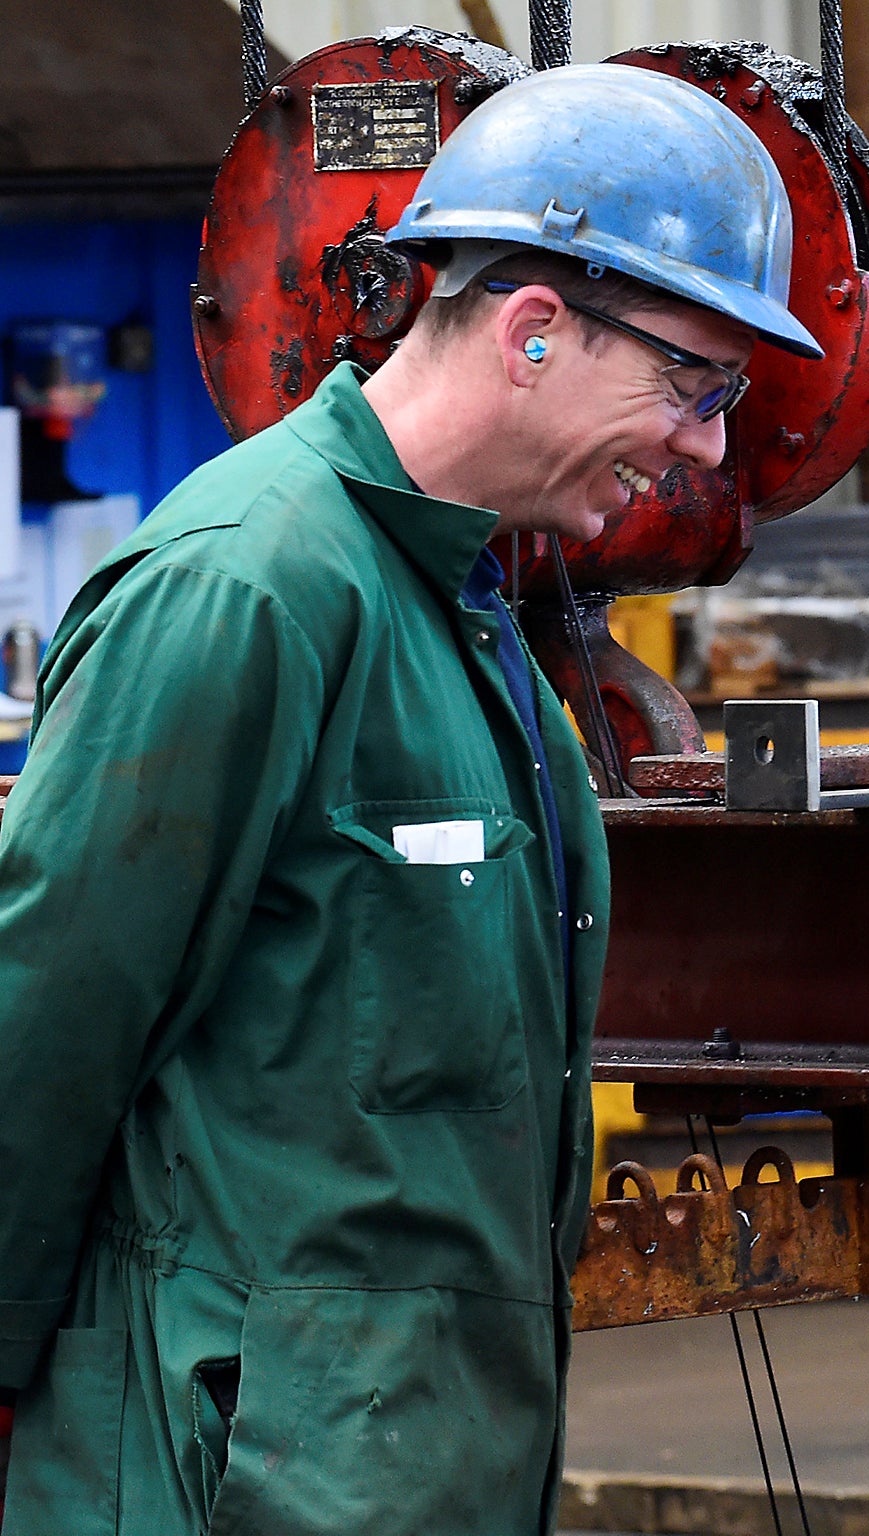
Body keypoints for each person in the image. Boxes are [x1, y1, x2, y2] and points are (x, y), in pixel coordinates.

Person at [0, 63, 821, 1535]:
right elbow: (41, 1023)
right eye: (692, 385)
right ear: (532, 331)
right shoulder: (248, 590)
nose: (701, 444)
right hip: (242, 1461)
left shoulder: (462, 601)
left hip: (409, 1448)